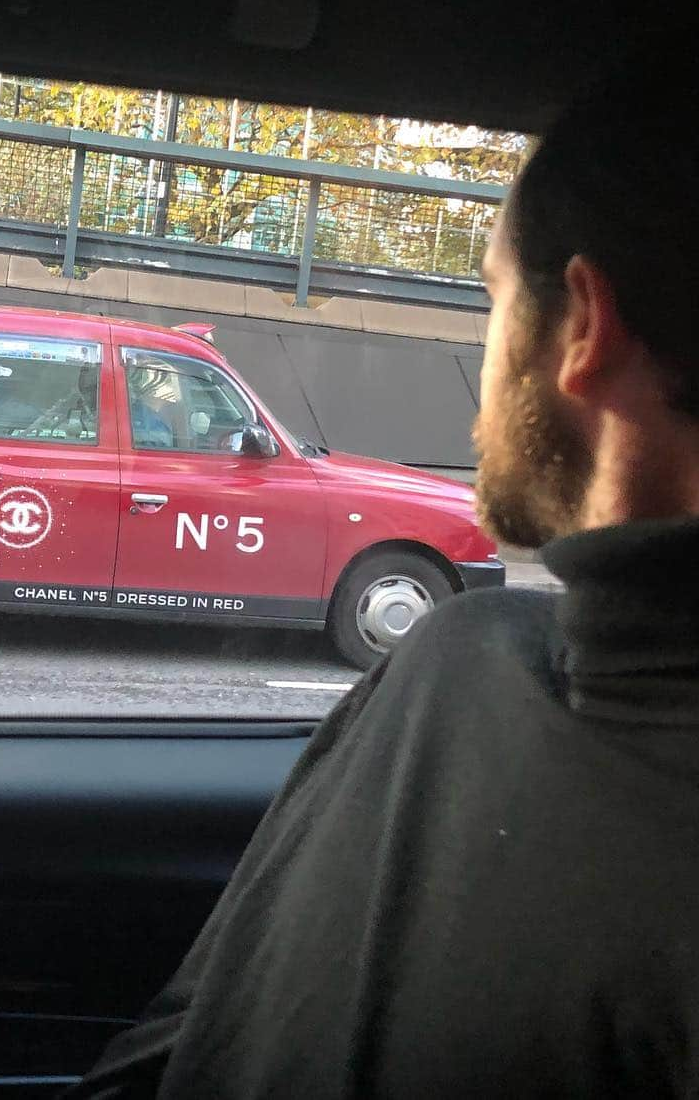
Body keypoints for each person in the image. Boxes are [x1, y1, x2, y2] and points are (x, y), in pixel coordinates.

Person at [66, 60, 699, 1097]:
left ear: (583, 323)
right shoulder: (458, 656)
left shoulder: (453, 668)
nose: (480, 380)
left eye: (490, 297)